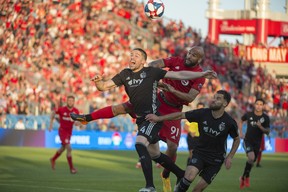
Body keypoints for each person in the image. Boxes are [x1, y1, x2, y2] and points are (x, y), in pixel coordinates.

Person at [78, 48, 216, 192]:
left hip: (174, 109)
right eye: (189, 53)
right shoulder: (175, 60)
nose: (189, 56)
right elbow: (157, 63)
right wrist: (150, 68)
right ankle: (87, 118)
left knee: (172, 147)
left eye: (194, 55)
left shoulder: (199, 76)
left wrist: (171, 89)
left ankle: (167, 173)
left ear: (199, 59)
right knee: (121, 108)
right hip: (157, 100)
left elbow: (190, 97)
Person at [145, 90, 240, 192]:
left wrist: (230, 156)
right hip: (200, 153)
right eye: (214, 97)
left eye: (218, 98)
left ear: (225, 103)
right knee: (188, 177)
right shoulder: (202, 113)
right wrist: (159, 118)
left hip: (216, 160)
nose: (214, 100)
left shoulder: (229, 122)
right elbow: (180, 115)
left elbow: (237, 139)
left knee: (197, 190)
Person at [239, 98, 270, 189]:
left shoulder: (265, 118)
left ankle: (245, 176)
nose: (259, 106)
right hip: (247, 140)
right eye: (257, 104)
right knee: (251, 157)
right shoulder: (249, 114)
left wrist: (261, 127)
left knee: (251, 161)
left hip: (257, 143)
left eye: (261, 104)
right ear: (254, 105)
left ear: (263, 106)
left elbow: (267, 131)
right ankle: (245, 177)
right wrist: (240, 132)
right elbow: (241, 120)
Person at [49, 95, 83, 174]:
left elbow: (78, 121)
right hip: (62, 131)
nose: (70, 102)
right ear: (67, 101)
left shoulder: (75, 111)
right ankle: (72, 168)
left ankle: (53, 159)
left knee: (63, 148)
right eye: (69, 101)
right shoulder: (62, 109)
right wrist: (51, 124)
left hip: (69, 132)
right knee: (69, 148)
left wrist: (79, 124)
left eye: (72, 101)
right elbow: (53, 113)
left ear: (74, 102)